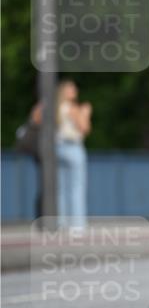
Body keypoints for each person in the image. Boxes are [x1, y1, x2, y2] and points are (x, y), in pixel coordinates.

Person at [55, 80, 92, 228]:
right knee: (77, 187)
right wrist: (86, 113)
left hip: (57, 148)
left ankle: (61, 222)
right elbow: (84, 128)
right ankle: (77, 224)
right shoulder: (72, 108)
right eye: (72, 88)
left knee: (61, 188)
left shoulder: (55, 108)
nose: (75, 90)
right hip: (73, 148)